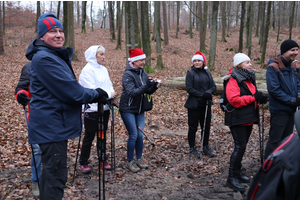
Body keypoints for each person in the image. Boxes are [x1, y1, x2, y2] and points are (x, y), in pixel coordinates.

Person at [25, 13, 108, 199]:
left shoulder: (52, 56)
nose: (58, 35)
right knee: (55, 177)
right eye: (52, 31)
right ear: (41, 36)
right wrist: (98, 94)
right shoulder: (45, 59)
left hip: (54, 126)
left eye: (61, 31)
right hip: (51, 126)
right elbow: (73, 92)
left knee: (53, 175)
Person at [224, 53, 268, 192]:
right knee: (239, 147)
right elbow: (234, 100)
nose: (250, 64)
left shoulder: (248, 78)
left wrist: (259, 97)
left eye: (250, 62)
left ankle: (237, 172)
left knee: (242, 147)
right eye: (247, 62)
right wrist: (253, 98)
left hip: (247, 118)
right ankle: (231, 178)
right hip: (237, 119)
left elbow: (250, 94)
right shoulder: (233, 80)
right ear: (239, 65)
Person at [119, 48, 161, 173]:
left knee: (140, 135)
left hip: (140, 109)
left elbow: (147, 91)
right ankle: (130, 161)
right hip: (128, 109)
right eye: (141, 60)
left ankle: (139, 158)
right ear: (134, 61)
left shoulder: (143, 72)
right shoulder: (128, 74)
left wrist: (154, 86)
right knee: (133, 135)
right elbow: (132, 93)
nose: (143, 62)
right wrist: (146, 85)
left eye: (144, 60)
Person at [78, 45, 117, 173]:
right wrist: (109, 94)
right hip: (92, 109)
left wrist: (111, 93)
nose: (103, 57)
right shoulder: (87, 70)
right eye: (101, 54)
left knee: (102, 134)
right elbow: (92, 90)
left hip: (104, 107)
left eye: (103, 54)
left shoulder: (104, 69)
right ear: (93, 56)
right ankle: (83, 161)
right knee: (89, 135)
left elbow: (109, 85)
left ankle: (102, 158)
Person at [264, 39, 300, 159]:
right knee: (275, 141)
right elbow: (274, 90)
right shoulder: (273, 67)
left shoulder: (293, 66)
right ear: (284, 52)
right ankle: (267, 168)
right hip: (279, 111)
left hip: (291, 110)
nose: (295, 53)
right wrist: (292, 100)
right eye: (292, 50)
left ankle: (282, 165)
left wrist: (298, 96)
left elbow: (297, 84)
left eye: (296, 50)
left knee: (287, 140)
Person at [15, 61, 41, 197]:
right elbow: (22, 87)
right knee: (36, 150)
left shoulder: (57, 62)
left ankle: (52, 180)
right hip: (36, 115)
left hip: (55, 117)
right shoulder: (29, 66)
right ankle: (36, 180)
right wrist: (21, 94)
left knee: (54, 150)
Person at [184, 51, 216, 159]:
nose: (197, 63)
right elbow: (189, 89)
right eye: (195, 61)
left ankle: (205, 146)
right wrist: (203, 94)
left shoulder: (207, 73)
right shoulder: (190, 73)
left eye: (199, 61)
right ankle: (192, 148)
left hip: (206, 104)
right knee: (193, 127)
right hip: (194, 104)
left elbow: (213, 86)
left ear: (203, 62)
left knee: (206, 126)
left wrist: (209, 93)